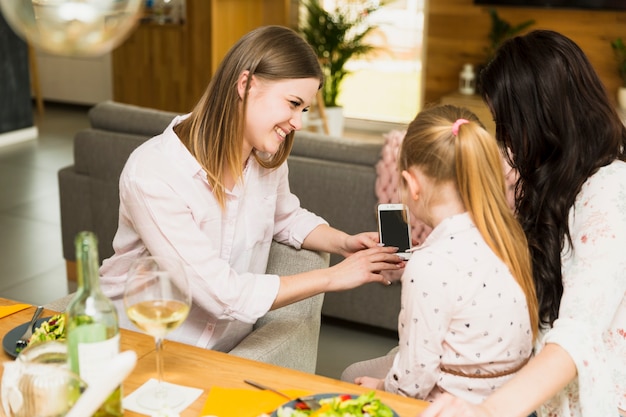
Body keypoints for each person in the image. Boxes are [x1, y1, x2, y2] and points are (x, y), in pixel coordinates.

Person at [98, 25, 404, 352]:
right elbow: (221, 294)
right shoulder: (155, 174)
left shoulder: (265, 156)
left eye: (304, 109)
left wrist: (344, 243)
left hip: (228, 345)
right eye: (292, 103)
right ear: (246, 84)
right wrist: (335, 277)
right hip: (146, 341)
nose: (298, 122)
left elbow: (285, 217)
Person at [420, 30, 626, 417]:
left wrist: (488, 410)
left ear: (541, 118)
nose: (506, 142)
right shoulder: (551, 178)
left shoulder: (611, 189)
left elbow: (579, 331)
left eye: (509, 125)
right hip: (528, 374)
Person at [340, 104, 539, 404]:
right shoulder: (507, 235)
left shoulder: (429, 266)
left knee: (350, 377)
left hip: (451, 405)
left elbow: (413, 379)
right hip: (511, 400)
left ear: (412, 184)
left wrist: (380, 387)